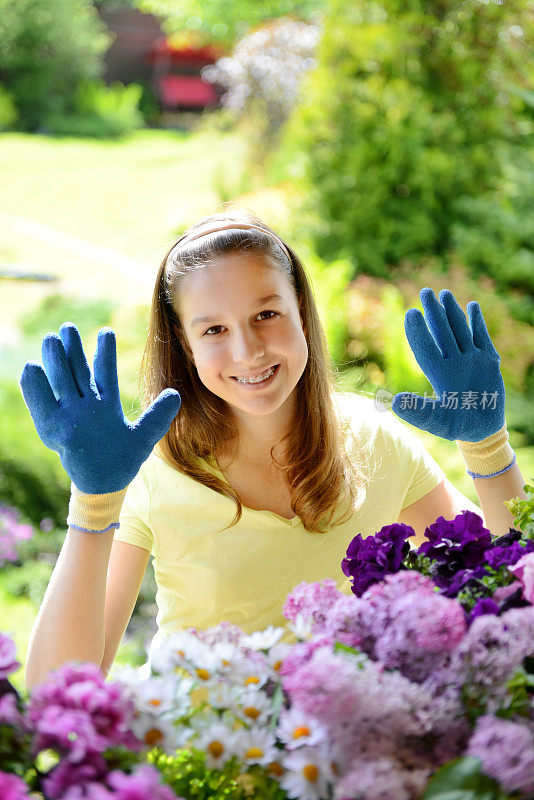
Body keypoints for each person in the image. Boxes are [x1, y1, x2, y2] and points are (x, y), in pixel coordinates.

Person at [20, 208, 527, 692]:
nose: (248, 350)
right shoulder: (146, 470)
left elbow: (511, 584)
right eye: (214, 329)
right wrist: (93, 500)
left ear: (302, 311)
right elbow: (56, 686)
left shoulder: (375, 441)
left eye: (266, 314)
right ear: (184, 342)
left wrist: (487, 446)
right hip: (208, 761)